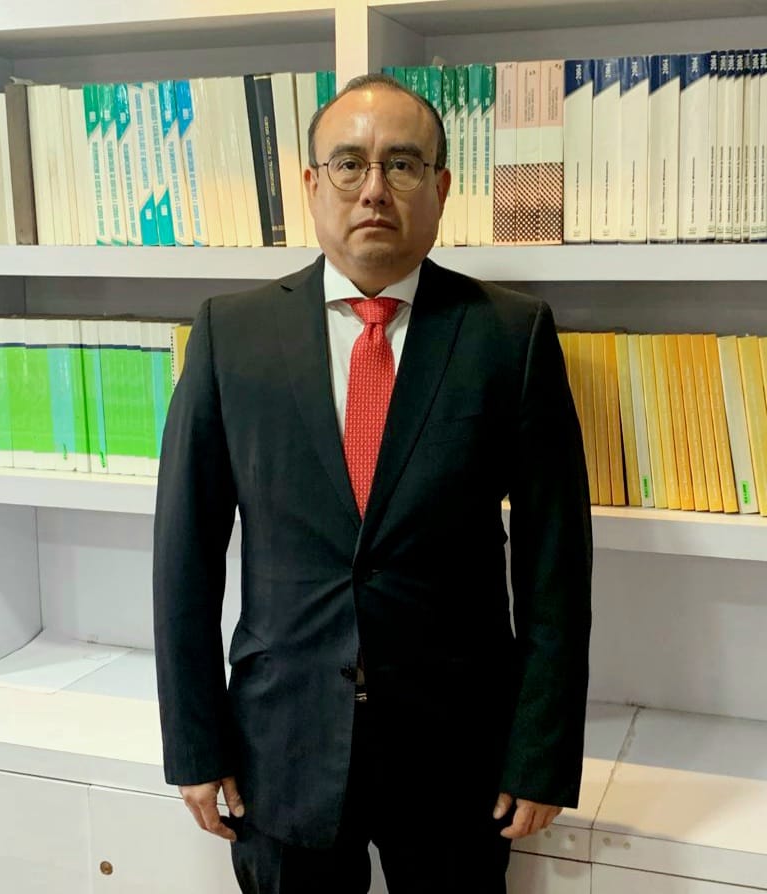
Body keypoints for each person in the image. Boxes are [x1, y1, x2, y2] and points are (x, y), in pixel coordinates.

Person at [153, 73, 592, 894]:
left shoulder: (511, 336)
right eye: (349, 163)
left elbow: (555, 566)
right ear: (312, 184)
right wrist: (193, 743)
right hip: (279, 747)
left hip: (460, 749)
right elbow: (184, 560)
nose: (375, 189)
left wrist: (542, 752)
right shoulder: (229, 335)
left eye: (403, 164)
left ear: (442, 188)